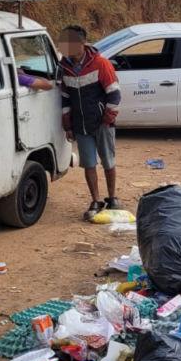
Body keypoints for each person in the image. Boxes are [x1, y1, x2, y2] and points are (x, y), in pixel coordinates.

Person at [58, 25, 122, 220]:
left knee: (108, 162)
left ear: (82, 44)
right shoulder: (64, 68)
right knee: (89, 164)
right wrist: (68, 126)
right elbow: (65, 98)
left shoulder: (101, 64)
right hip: (81, 125)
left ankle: (112, 198)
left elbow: (115, 95)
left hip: (102, 123)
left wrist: (107, 119)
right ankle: (96, 200)